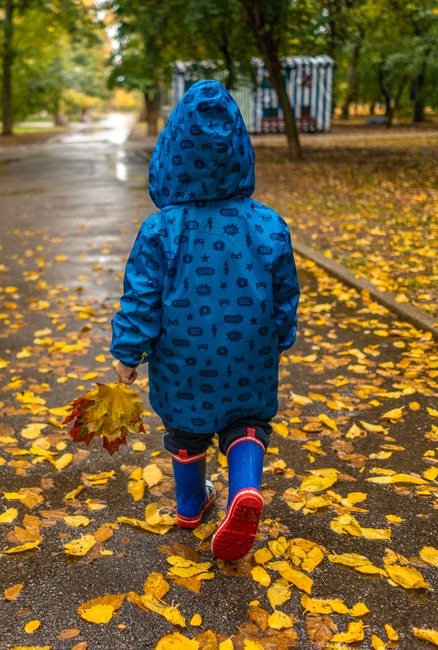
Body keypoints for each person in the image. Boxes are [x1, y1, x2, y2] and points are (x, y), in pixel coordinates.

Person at [110, 79, 299, 561]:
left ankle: (192, 505)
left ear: (171, 154)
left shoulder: (160, 229)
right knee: (248, 422)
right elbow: (284, 291)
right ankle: (244, 491)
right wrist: (281, 335)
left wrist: (127, 353)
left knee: (186, 429)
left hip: (182, 358)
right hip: (249, 352)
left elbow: (142, 296)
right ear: (240, 151)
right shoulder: (268, 223)